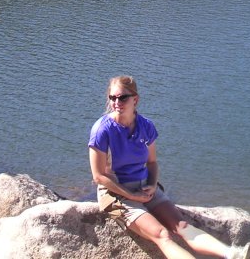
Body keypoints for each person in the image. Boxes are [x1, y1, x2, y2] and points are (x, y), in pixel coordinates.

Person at [89, 76, 239, 259]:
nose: (116, 102)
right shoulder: (102, 129)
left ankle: (233, 254)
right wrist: (132, 196)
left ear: (135, 99)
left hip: (143, 186)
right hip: (116, 193)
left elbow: (152, 163)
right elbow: (99, 176)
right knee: (162, 234)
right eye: (113, 98)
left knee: (182, 226)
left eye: (122, 97)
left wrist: (152, 184)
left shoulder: (146, 126)